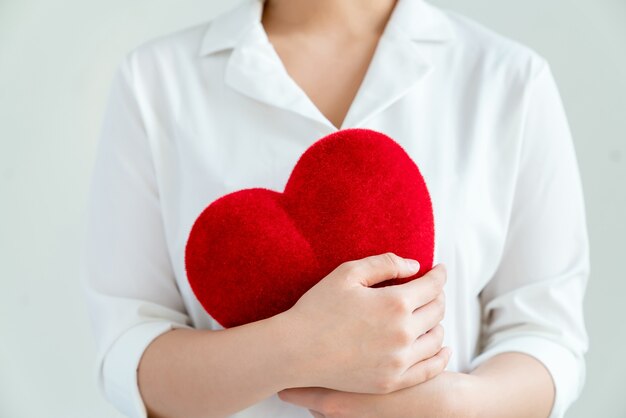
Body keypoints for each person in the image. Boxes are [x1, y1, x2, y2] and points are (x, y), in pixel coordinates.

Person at [81, 0, 590, 417]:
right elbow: (130, 351)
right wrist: (296, 348)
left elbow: (545, 335)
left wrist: (459, 408)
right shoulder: (155, 81)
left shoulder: (510, 79)